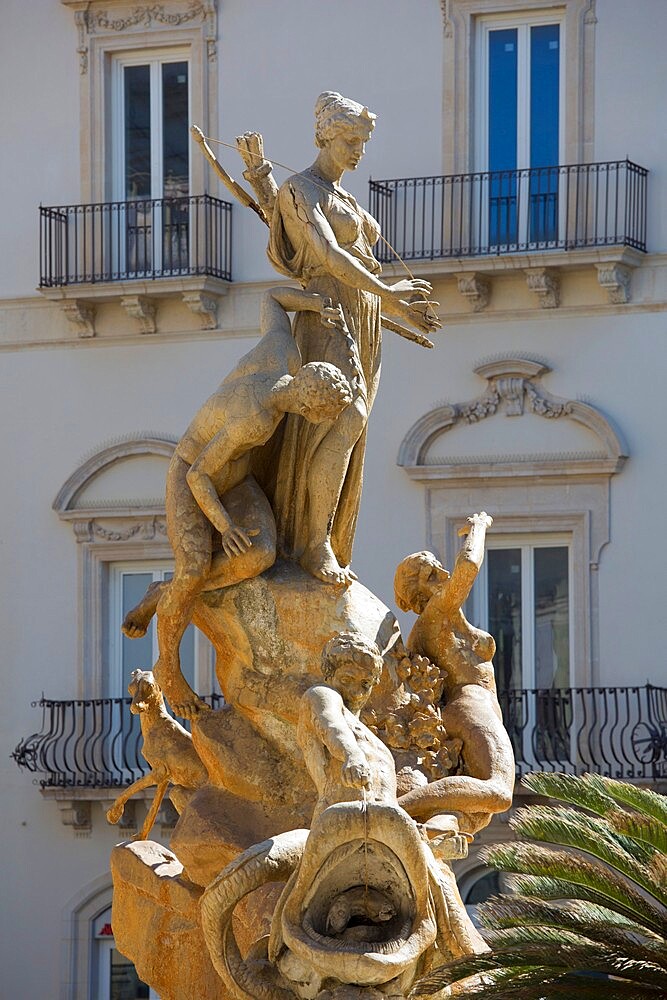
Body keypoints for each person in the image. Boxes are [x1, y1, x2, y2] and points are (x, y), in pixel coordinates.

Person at [123, 286, 353, 718]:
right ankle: (169, 668)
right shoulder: (255, 417)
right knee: (194, 568)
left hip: (237, 480)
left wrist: (318, 303)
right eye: (321, 415)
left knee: (261, 555)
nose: (319, 424)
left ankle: (167, 594)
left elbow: (272, 300)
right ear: (306, 400)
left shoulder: (283, 356)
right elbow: (198, 474)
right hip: (193, 481)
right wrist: (225, 526)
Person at [256, 91, 439, 587]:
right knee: (338, 423)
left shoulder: (345, 197)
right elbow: (330, 256)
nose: (358, 150)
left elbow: (357, 257)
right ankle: (313, 544)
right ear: (325, 135)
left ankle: (328, 539)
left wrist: (388, 301)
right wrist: (392, 294)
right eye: (350, 140)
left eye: (362, 141)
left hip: (365, 318)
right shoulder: (300, 191)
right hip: (329, 313)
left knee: (352, 435)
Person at [393, 513, 515, 834]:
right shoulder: (436, 615)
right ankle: (394, 809)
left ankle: (439, 826)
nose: (444, 574)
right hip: (471, 706)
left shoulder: (429, 628)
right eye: (432, 574)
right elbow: (468, 568)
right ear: (419, 594)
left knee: (477, 813)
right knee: (499, 790)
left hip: (466, 712)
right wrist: (478, 526)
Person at [297, 633, 397, 822]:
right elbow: (331, 726)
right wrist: (352, 755)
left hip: (385, 824)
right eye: (346, 680)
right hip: (341, 818)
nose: (356, 693)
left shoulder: (374, 741)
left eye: (365, 684)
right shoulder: (321, 695)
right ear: (329, 675)